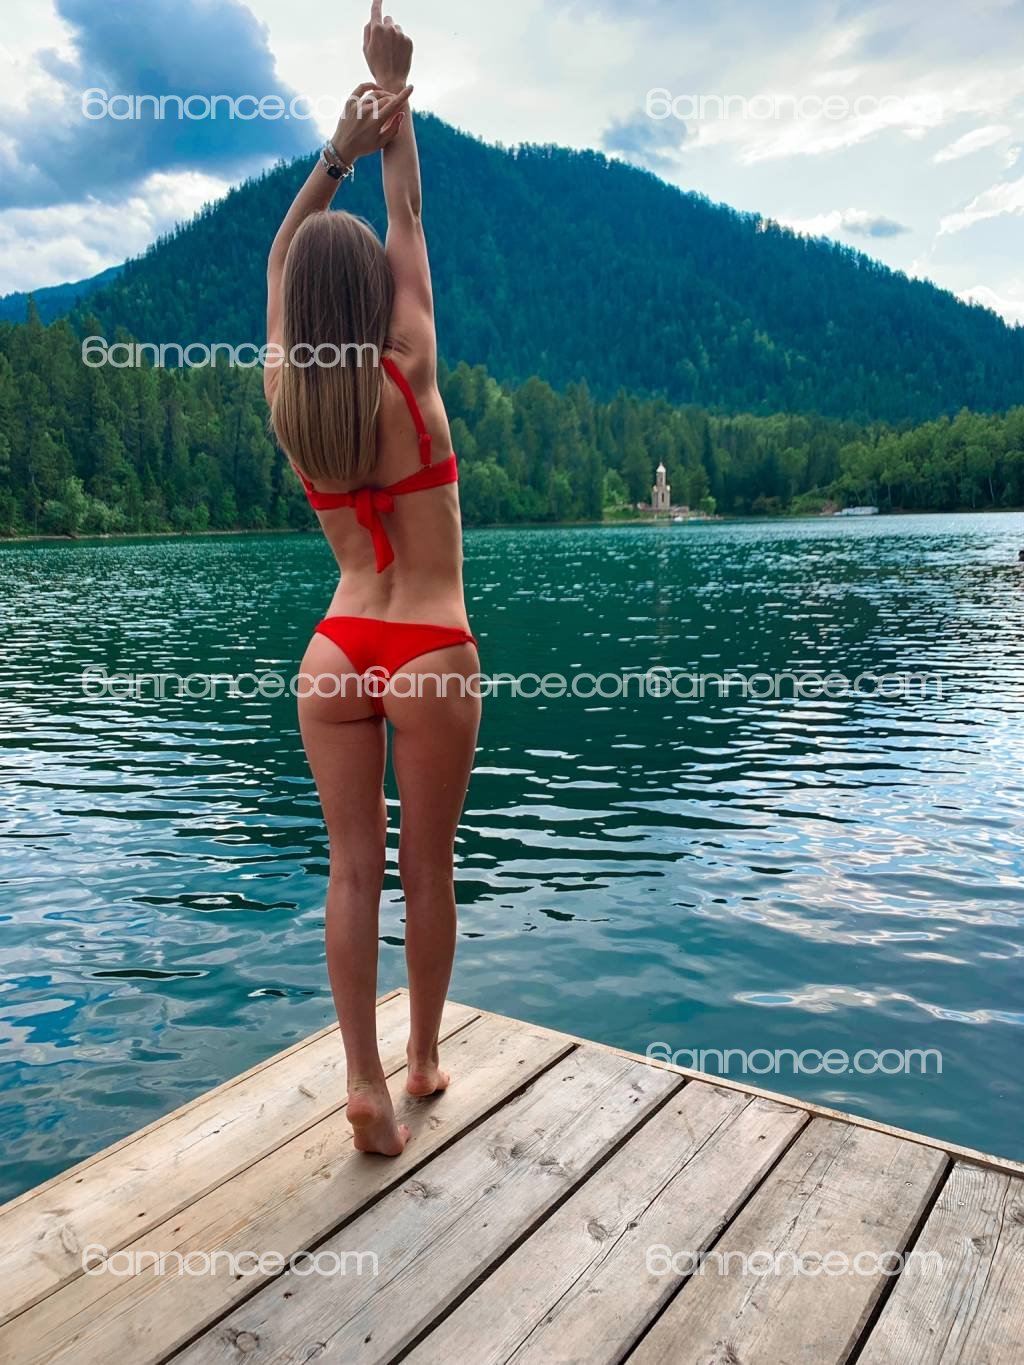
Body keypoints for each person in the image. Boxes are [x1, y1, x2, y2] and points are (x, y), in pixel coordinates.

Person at [263, 3, 480, 1155]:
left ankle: (360, 1080)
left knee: (351, 872)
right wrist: (392, 97)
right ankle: (425, 1058)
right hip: (429, 649)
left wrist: (332, 154)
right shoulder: (413, 367)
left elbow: (280, 256)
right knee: (425, 871)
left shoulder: (287, 397)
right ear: (377, 299)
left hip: (336, 649)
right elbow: (410, 214)